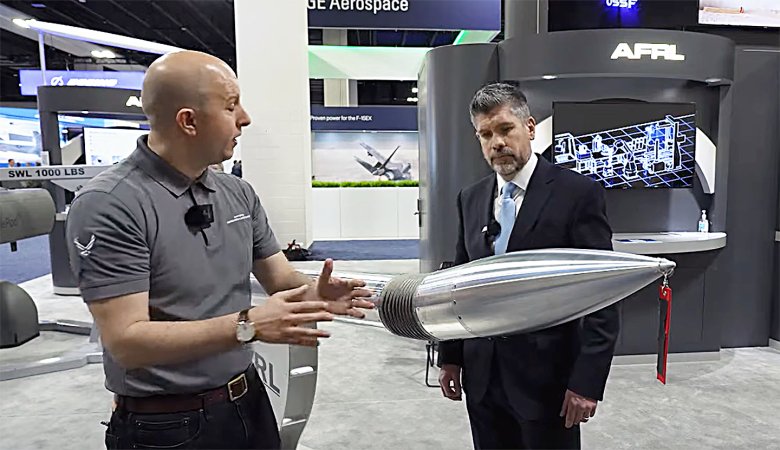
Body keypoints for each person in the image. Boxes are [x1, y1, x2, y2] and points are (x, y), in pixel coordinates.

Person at [65, 50, 374, 450]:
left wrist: (312, 291)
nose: (245, 118)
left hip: (249, 402)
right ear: (188, 121)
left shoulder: (237, 193)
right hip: (167, 425)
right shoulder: (110, 204)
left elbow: (280, 278)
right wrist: (248, 326)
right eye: (231, 106)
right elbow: (127, 342)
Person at [437, 83, 620, 450]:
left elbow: (602, 294)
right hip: (483, 378)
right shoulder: (470, 199)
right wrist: (451, 357)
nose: (497, 143)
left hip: (547, 381)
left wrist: (586, 382)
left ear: (530, 128)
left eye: (506, 129)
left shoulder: (576, 194)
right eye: (486, 134)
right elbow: (459, 283)